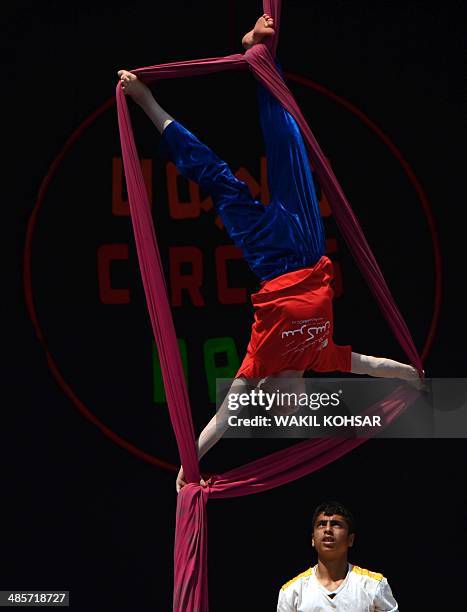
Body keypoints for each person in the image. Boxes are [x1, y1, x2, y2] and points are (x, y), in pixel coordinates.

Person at [118, 15, 423, 493]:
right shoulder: (322, 358)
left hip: (266, 255)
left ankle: (148, 104)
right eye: (296, 406)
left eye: (283, 407)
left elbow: (221, 421)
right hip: (305, 243)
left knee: (215, 177)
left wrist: (189, 465)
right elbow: (373, 364)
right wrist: (414, 377)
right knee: (289, 142)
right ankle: (260, 57)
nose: (292, 403)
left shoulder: (256, 367)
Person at [277, 501, 398, 611]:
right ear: (313, 539)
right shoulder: (292, 592)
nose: (328, 529)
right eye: (321, 524)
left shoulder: (374, 585)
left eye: (336, 524)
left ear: (350, 539)